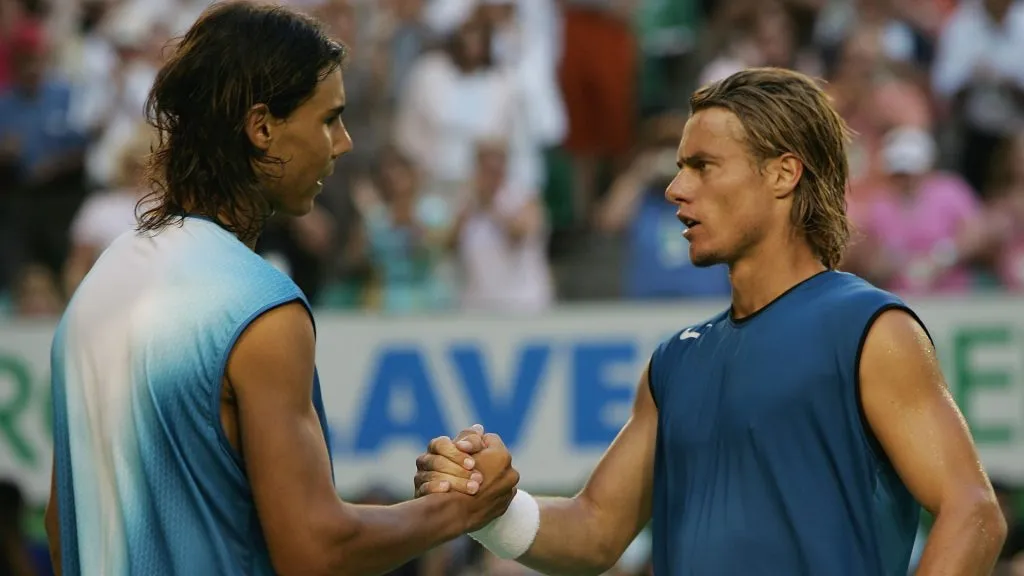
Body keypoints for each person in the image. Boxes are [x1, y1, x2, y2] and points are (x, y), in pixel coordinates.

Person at [413, 68, 1008, 575]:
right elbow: (594, 530)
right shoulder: (675, 361)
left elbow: (973, 510)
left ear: (783, 173)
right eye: (679, 167)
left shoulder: (869, 328)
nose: (675, 188)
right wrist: (492, 506)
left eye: (702, 166)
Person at [44, 3, 518, 576]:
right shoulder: (258, 306)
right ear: (262, 126)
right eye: (328, 119)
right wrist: (459, 511)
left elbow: (60, 524)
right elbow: (315, 549)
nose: (342, 144)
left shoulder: (100, 281)